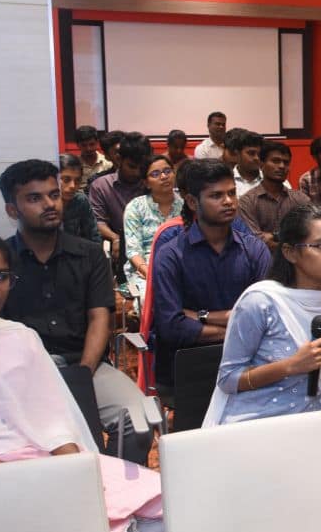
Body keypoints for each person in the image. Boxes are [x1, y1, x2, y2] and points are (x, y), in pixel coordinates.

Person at [0, 229, 163, 532]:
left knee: (165, 498)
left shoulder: (20, 337)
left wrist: (78, 474)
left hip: (37, 460)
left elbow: (52, 418)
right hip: (1, 475)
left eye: (1, 276)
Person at [206, 205, 321, 529]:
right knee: (282, 511)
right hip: (258, 423)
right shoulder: (261, 301)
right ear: (290, 252)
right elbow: (229, 379)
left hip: (319, 421)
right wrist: (291, 366)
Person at [0, 160, 152, 464]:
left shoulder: (89, 254)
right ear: (12, 210)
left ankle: (109, 485)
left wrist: (81, 374)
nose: (49, 204)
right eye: (34, 198)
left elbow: (99, 318)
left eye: (53, 195)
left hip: (85, 365)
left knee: (139, 422)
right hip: (22, 375)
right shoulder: (1, 262)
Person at [151, 160, 271, 389]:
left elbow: (265, 317)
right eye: (216, 196)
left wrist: (200, 316)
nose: (228, 201)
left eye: (232, 193)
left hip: (249, 362)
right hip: (190, 365)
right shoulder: (171, 255)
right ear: (192, 202)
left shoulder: (255, 250)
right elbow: (172, 327)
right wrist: (239, 329)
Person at [122, 154, 183, 288]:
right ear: (146, 183)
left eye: (167, 171)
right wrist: (150, 274)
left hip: (182, 267)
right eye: (155, 174)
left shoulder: (186, 205)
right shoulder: (136, 207)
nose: (164, 176)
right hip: (145, 269)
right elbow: (133, 251)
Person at [89, 132, 150, 265]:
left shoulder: (151, 183)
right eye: (132, 167)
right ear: (119, 159)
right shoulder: (101, 186)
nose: (137, 172)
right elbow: (98, 221)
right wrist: (115, 238)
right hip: (117, 248)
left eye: (141, 167)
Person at [238, 140, 310, 250]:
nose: (282, 166)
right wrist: (292, 245)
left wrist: (274, 236)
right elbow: (253, 241)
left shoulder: (301, 199)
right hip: (262, 260)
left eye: (286, 162)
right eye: (275, 161)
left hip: (295, 260)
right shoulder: (247, 201)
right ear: (261, 164)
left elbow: (309, 233)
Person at [57, 153, 101, 244]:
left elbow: (93, 237)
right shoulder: (45, 204)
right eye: (66, 180)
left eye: (77, 181)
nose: (73, 186)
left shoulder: (81, 201)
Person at [226, 128, 264, 198]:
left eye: (260, 154)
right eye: (251, 153)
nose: (257, 158)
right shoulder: (225, 180)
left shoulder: (271, 180)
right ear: (238, 153)